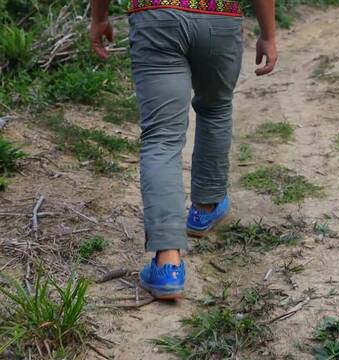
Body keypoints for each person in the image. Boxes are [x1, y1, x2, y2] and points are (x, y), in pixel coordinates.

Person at [89, 0, 277, 299]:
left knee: (161, 137)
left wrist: (99, 17)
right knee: (215, 109)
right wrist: (269, 33)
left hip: (156, 18)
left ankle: (167, 264)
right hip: (219, 17)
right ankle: (206, 209)